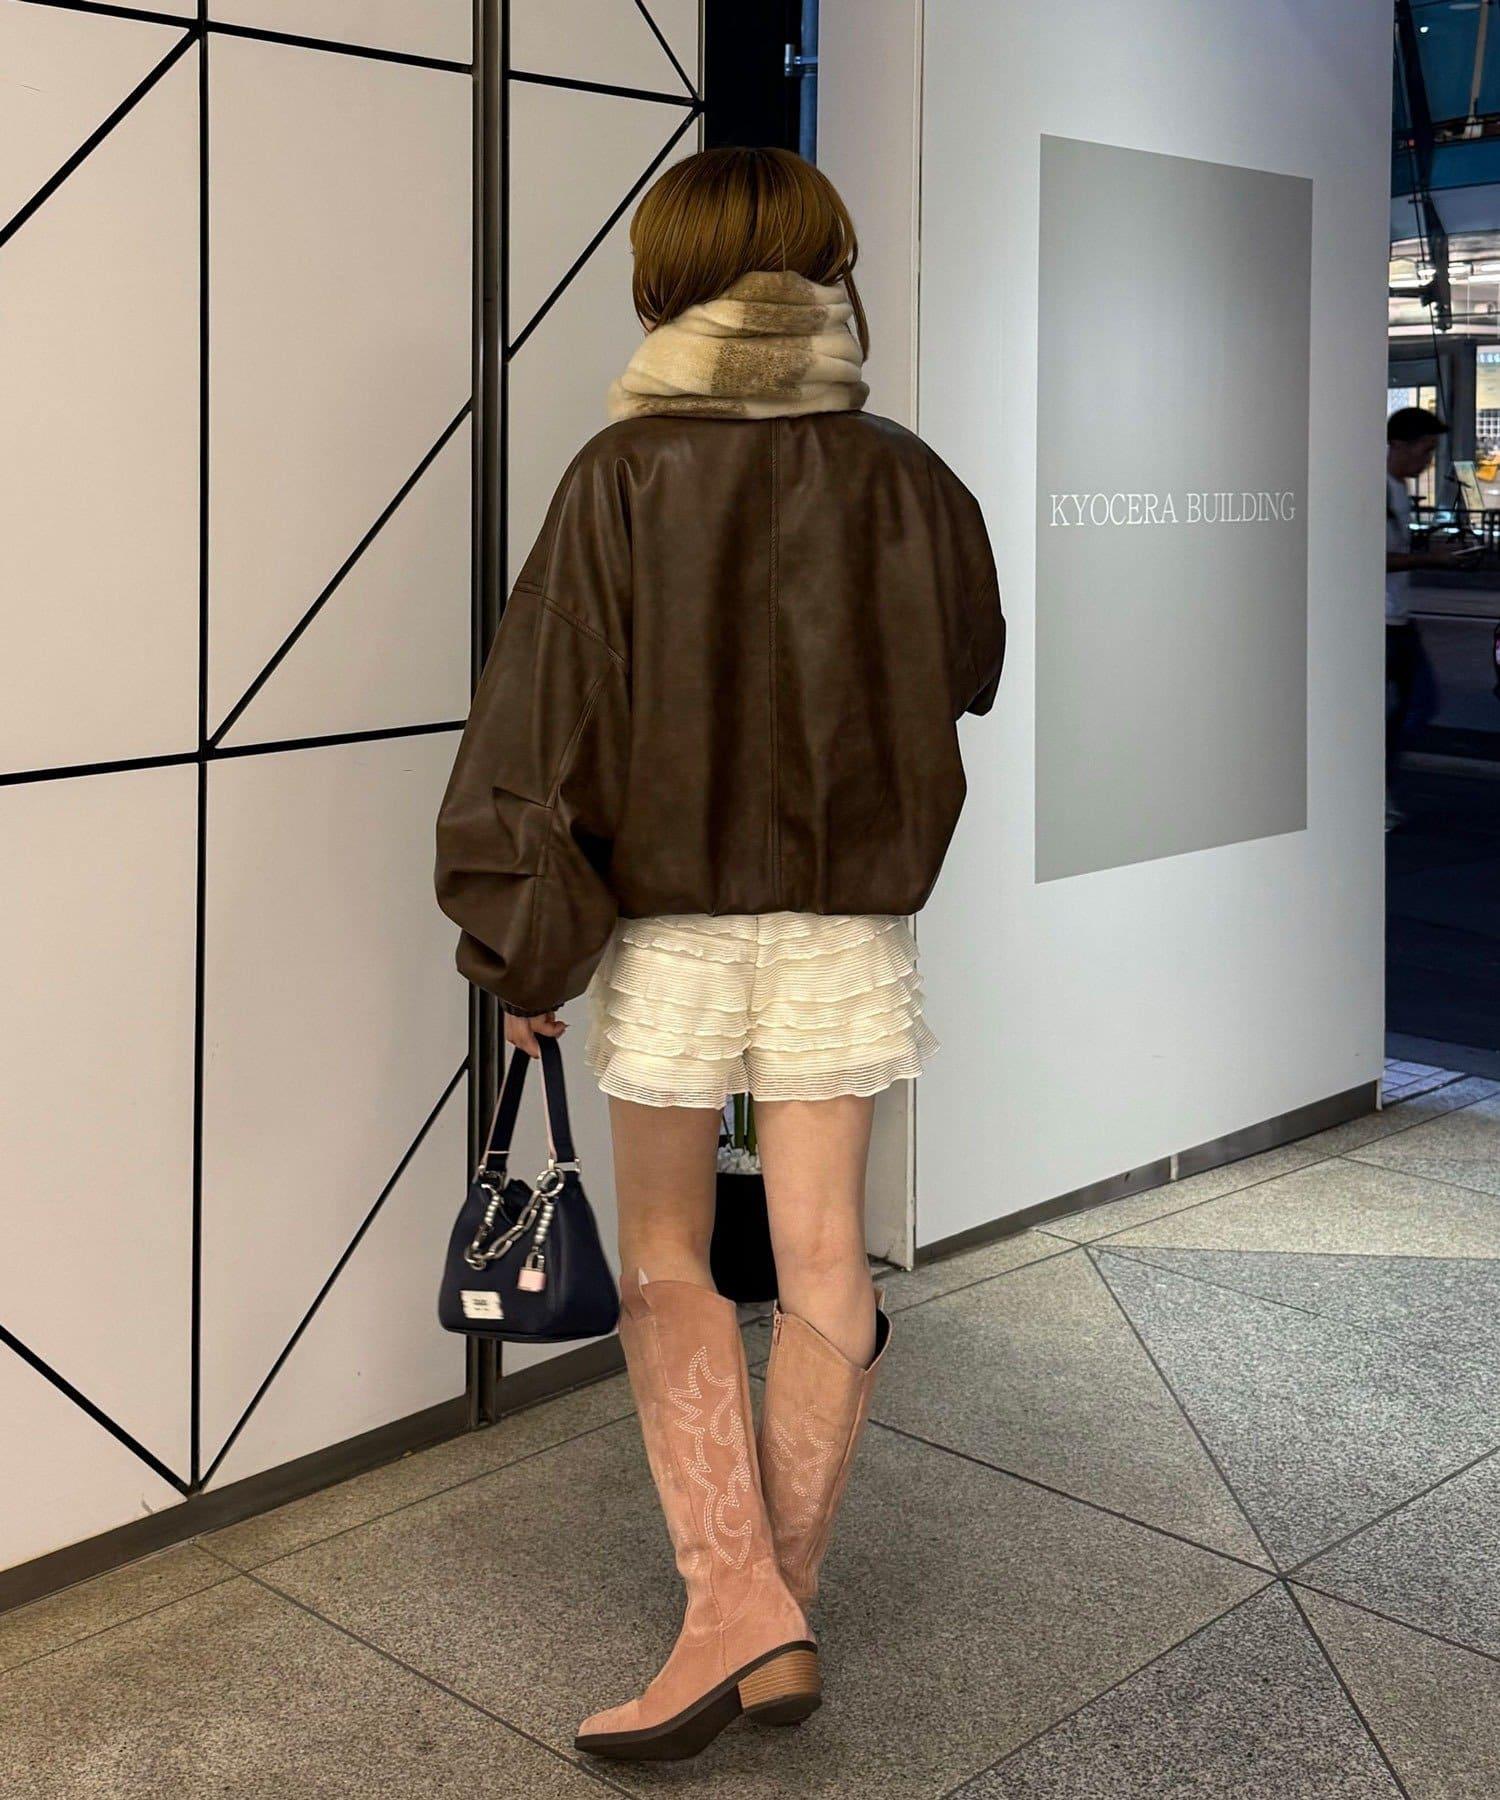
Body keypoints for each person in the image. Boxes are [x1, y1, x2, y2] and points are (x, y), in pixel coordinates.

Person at [435, 146, 1003, 1762]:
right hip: (845, 923)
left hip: (671, 925)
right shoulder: (909, 477)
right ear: (825, 272)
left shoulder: (622, 476)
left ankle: (735, 1607)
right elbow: (971, 668)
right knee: (824, 1253)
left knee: (671, 1254)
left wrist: (526, 951)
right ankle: (765, 1612)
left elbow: (540, 733)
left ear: (668, 279)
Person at [1385, 405, 1446, 829]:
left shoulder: (1397, 489)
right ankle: (1371, 790)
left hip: (1398, 619)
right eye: (1425, 451)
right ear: (1398, 445)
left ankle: (1375, 786)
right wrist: (1432, 559)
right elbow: (1374, 556)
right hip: (1381, 622)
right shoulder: (1375, 488)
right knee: (1404, 709)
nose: (1427, 461)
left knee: (1415, 705)